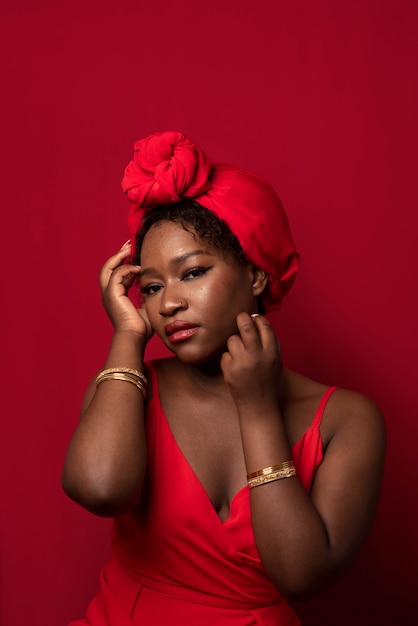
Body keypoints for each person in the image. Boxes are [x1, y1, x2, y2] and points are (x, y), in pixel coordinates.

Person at [62, 130, 386, 625]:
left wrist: (256, 409)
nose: (168, 303)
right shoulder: (129, 386)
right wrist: (128, 338)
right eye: (151, 286)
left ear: (255, 274)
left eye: (192, 273)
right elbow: (100, 489)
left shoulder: (347, 419)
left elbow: (302, 575)